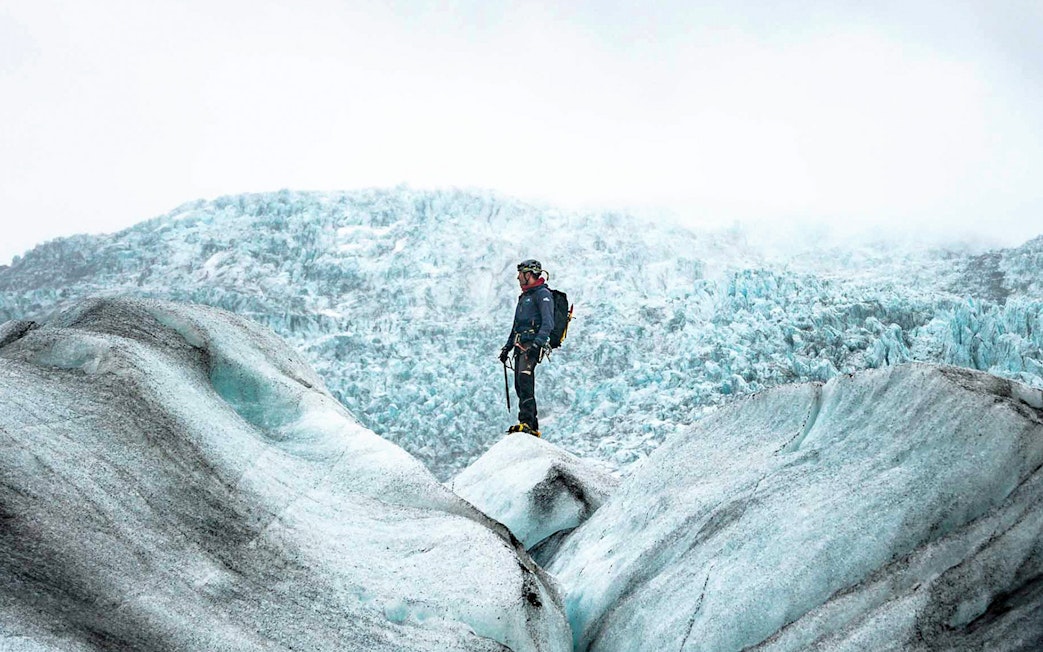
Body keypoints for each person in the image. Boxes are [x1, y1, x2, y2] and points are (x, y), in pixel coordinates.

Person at [499, 259, 555, 436]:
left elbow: (548, 323)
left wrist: (537, 344)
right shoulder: (525, 297)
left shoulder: (542, 294)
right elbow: (516, 326)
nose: (518, 278)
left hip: (531, 344)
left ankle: (527, 423)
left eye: (520, 274)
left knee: (525, 380)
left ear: (529, 274)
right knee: (519, 383)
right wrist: (507, 348)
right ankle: (531, 424)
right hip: (519, 344)